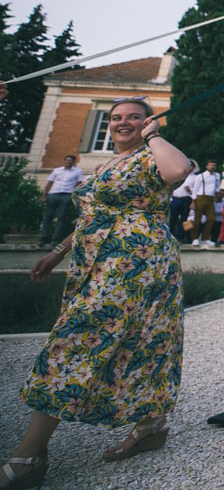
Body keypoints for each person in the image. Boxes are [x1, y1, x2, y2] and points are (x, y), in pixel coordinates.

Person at [3, 99, 193, 488]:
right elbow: (95, 217)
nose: (123, 123)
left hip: (136, 262)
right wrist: (56, 254)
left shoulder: (152, 154)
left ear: (148, 122)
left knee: (77, 338)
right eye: (116, 118)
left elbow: (178, 171)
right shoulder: (107, 165)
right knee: (145, 339)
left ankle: (29, 455)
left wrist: (153, 135)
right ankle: (151, 425)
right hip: (99, 261)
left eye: (133, 117)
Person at [39, 155, 84, 249]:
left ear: (74, 162)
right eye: (68, 160)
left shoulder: (78, 171)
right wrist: (44, 195)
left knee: (62, 217)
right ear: (65, 161)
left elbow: (79, 183)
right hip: (54, 194)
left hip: (67, 195)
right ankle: (44, 238)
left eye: (71, 161)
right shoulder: (57, 170)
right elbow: (49, 183)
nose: (69, 162)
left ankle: (55, 239)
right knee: (48, 216)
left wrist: (74, 195)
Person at [189, 159, 221, 246]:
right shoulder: (200, 176)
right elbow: (195, 189)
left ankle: (205, 238)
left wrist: (216, 196)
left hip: (211, 198)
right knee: (197, 219)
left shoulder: (217, 176)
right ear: (207, 166)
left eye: (214, 165)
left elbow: (217, 187)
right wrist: (193, 201)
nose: (212, 167)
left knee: (211, 219)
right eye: (210, 165)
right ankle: (194, 238)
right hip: (201, 197)